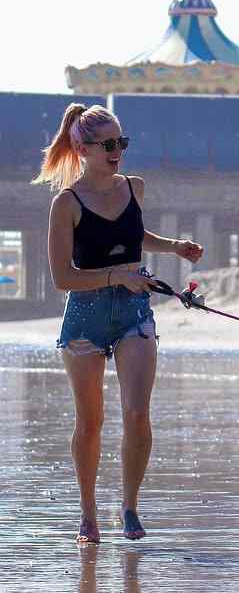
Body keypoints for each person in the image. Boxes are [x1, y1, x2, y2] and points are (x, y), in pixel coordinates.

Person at [32, 103, 203, 543]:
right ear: (82, 147)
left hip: (134, 313)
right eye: (108, 144)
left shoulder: (135, 188)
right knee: (90, 423)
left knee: (137, 413)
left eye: (121, 142)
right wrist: (116, 276)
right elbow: (61, 277)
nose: (117, 151)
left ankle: (129, 507)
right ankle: (88, 515)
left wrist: (174, 247)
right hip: (85, 315)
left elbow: (133, 234)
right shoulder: (65, 204)